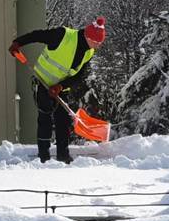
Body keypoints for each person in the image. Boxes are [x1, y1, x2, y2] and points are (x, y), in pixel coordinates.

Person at [9, 17, 106, 163]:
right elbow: (38, 35)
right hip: (42, 81)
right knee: (45, 118)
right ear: (88, 36)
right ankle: (44, 157)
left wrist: (61, 86)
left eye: (100, 43)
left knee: (63, 120)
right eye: (96, 42)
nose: (97, 46)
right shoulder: (63, 35)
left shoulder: (89, 52)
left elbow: (78, 76)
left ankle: (63, 155)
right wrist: (18, 42)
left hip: (60, 87)